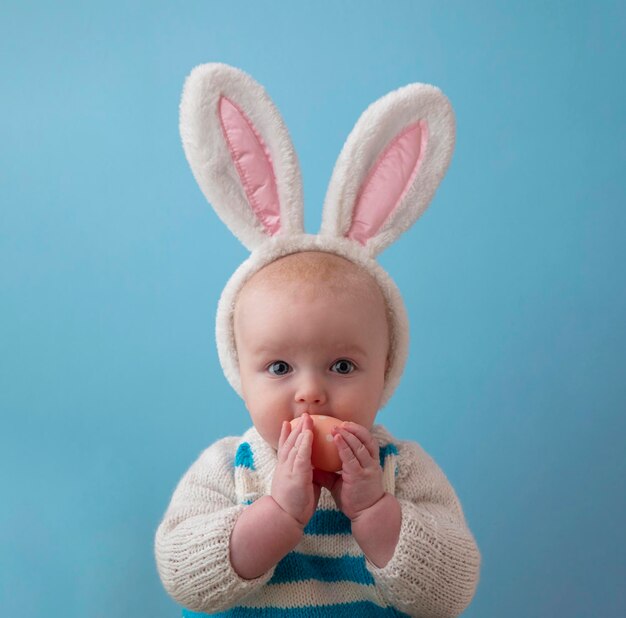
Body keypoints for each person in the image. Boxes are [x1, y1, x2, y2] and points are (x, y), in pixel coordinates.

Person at [155, 63, 481, 617]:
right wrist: (277, 514)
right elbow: (184, 574)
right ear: (240, 372)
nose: (310, 393)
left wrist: (376, 509)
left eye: (343, 366)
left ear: (387, 370)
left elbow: (450, 591)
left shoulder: (403, 470)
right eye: (280, 368)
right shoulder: (229, 467)